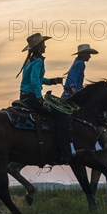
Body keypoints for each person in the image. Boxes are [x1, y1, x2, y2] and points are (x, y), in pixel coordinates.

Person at [17, 33, 73, 163]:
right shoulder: (38, 61)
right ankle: (64, 153)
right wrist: (39, 99)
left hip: (24, 96)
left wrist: (53, 81)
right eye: (43, 44)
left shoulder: (30, 61)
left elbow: (37, 79)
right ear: (38, 47)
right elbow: (35, 80)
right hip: (32, 97)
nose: (45, 46)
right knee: (61, 115)